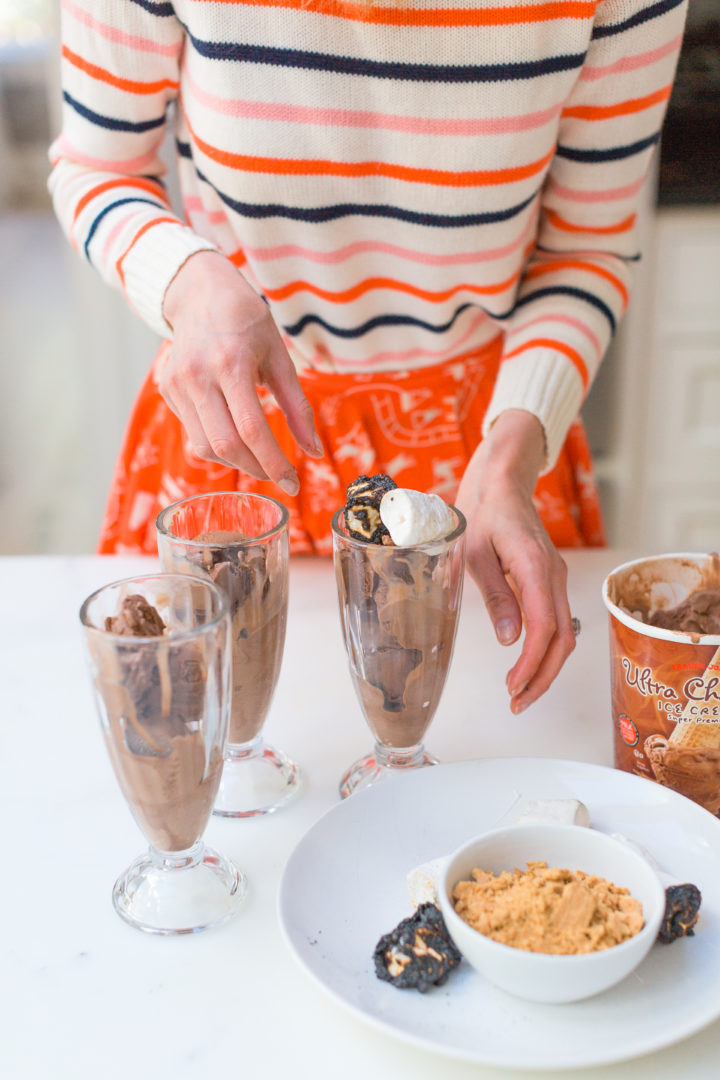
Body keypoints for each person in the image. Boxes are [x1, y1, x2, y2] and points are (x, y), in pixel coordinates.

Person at [49, 0, 687, 715]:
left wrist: (514, 451)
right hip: (238, 431)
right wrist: (188, 282)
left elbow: (587, 248)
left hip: (488, 450)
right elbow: (95, 167)